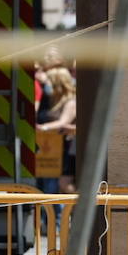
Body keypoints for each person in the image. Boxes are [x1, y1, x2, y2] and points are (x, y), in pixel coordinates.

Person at [37, 67, 77, 195]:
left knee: (59, 184)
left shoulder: (71, 101)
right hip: (50, 151)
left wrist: (43, 127)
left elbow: (63, 122)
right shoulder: (52, 100)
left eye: (50, 80)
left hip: (65, 149)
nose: (47, 84)